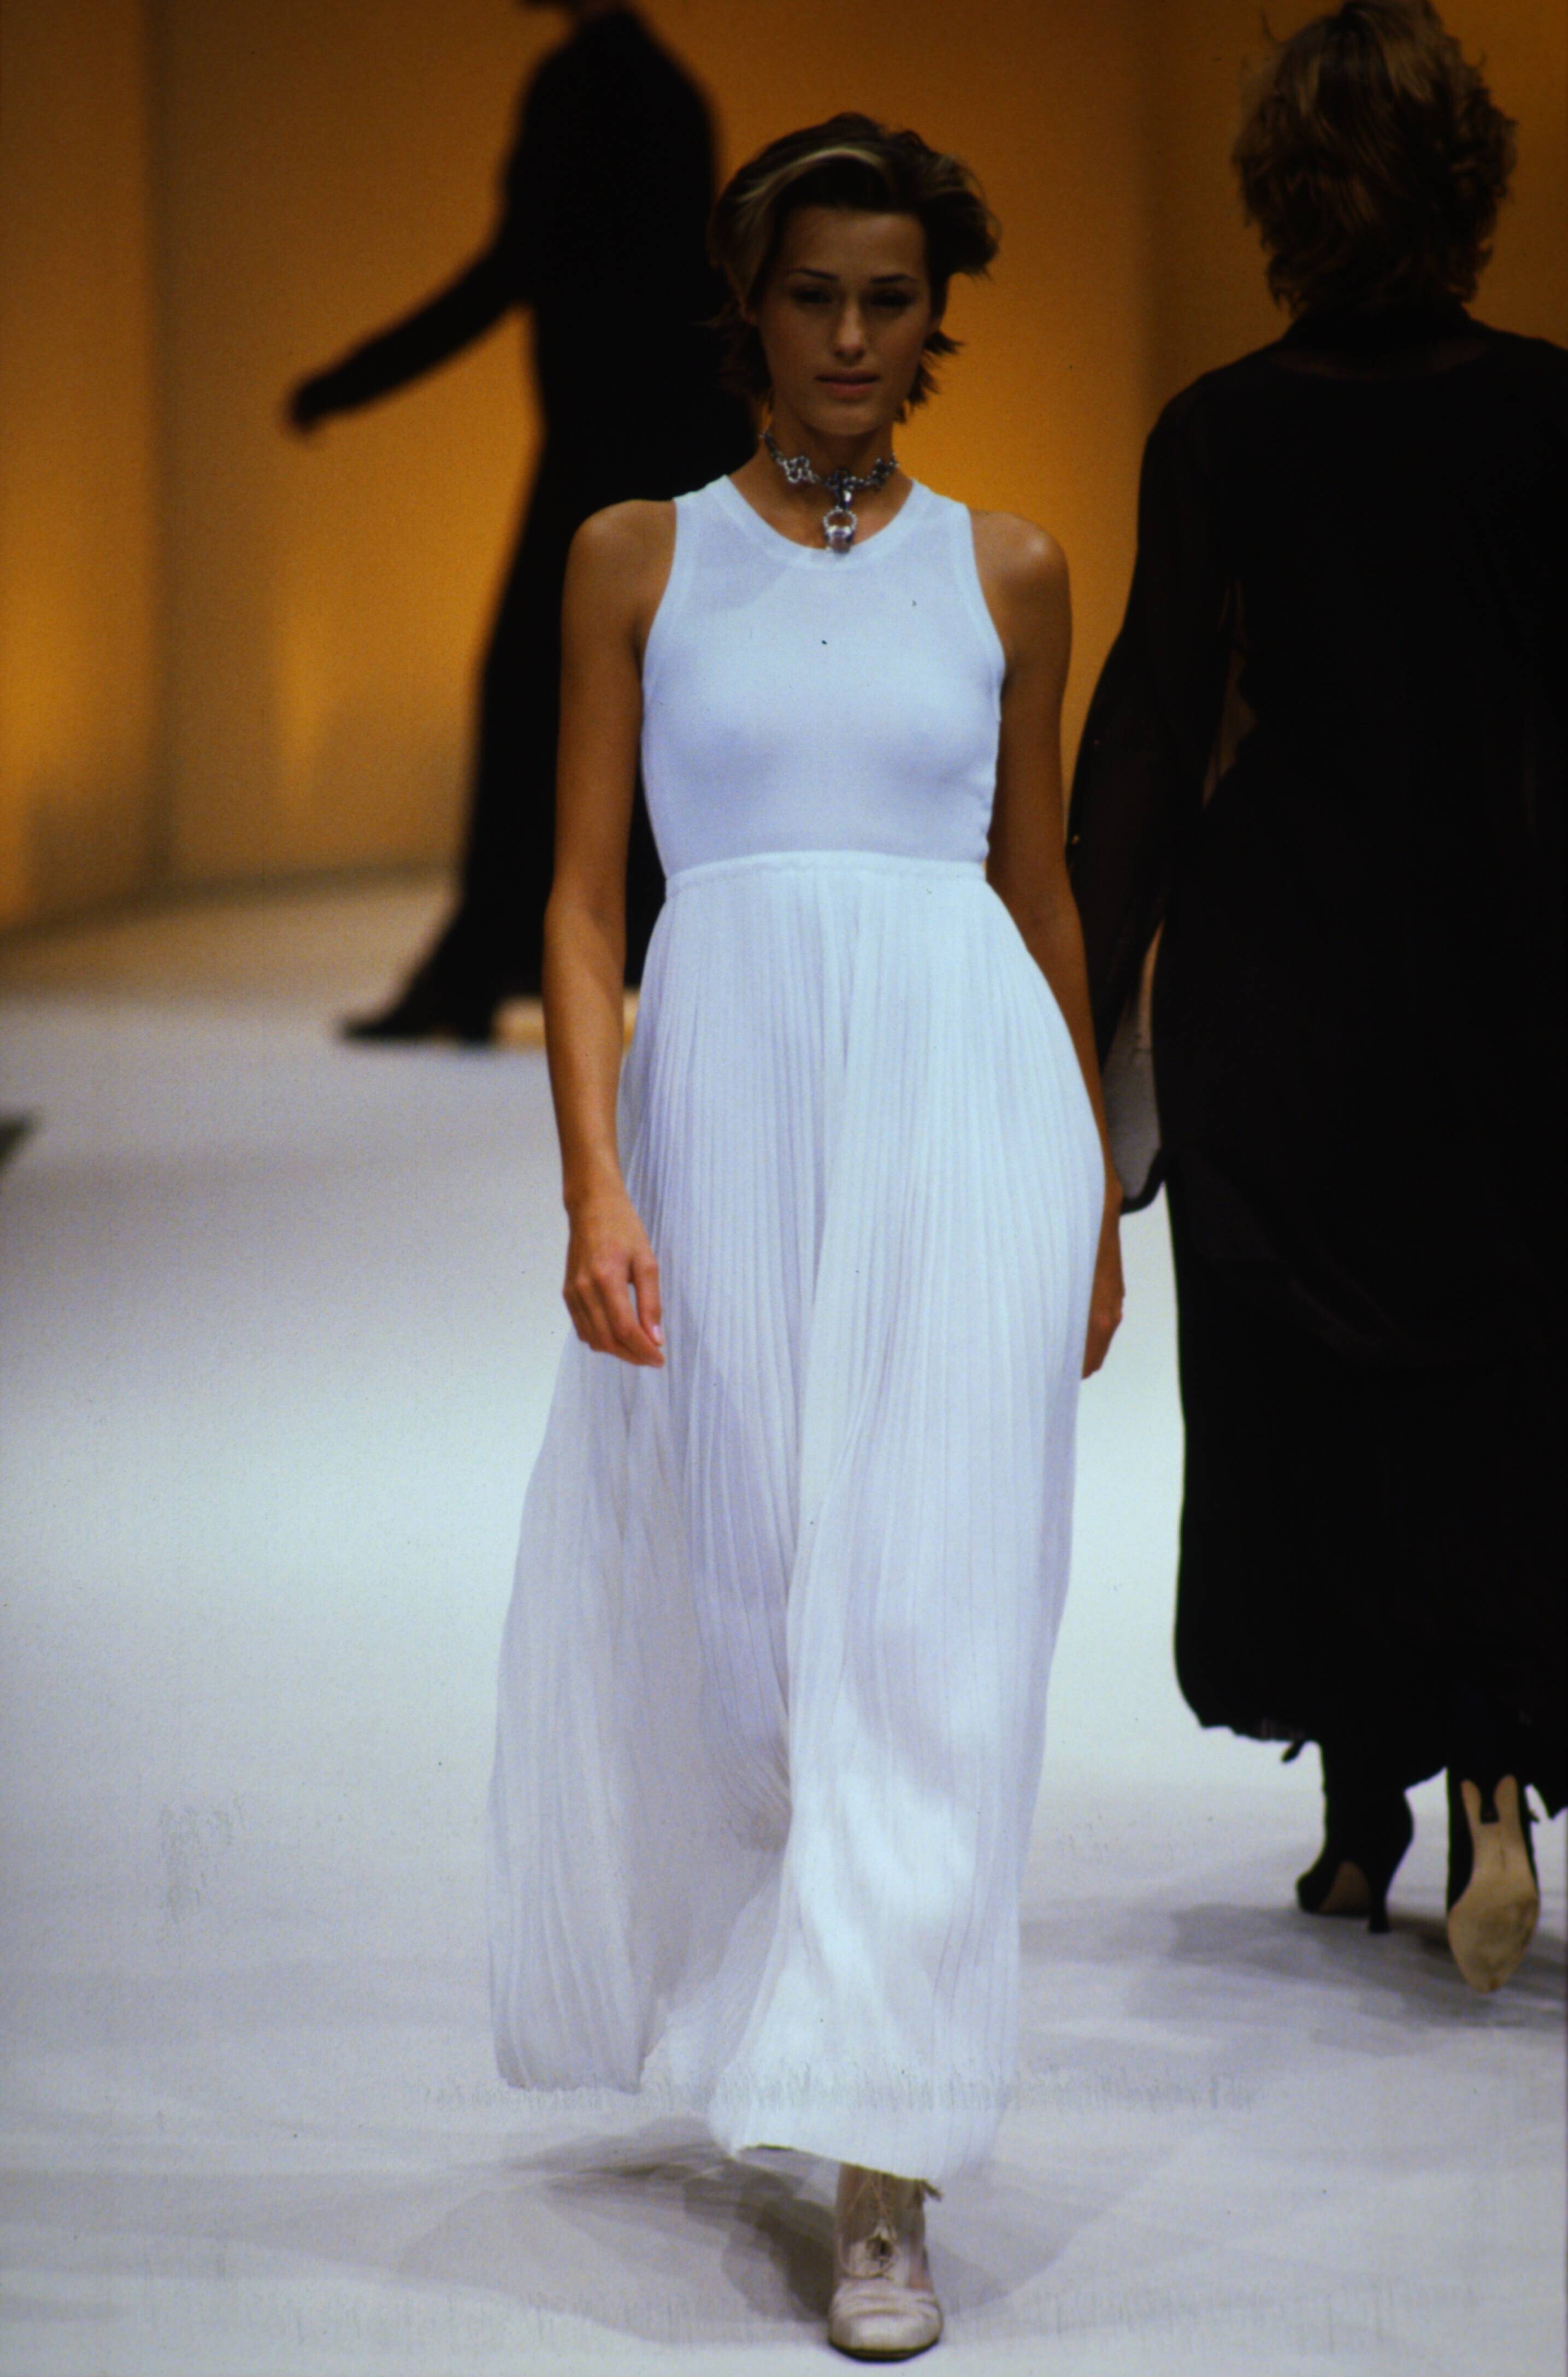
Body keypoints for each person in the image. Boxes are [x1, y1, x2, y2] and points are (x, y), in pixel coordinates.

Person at [486, 115, 1123, 2360]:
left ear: (936, 316)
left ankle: (885, 2169)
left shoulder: (1012, 568)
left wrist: (1092, 1184)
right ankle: (798, 2023)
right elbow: (583, 904)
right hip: (727, 1122)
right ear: (751, 307)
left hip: (969, 1117)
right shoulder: (635, 558)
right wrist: (594, 1179)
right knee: (751, 1635)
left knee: (924, 1641)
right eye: (814, 295)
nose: (852, 336)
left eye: (890, 298)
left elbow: (1040, 893)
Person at [1068, 0, 1565, 1993]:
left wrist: (1073, 1019)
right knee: (1502, 1369)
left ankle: (1363, 1811)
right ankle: (1491, 1756)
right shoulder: (1551, 416)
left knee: (1307, 1376)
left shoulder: (1221, 432)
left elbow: (1151, 734)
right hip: (1505, 961)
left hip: (1282, 969)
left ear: (1278, 197)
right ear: (1470, 182)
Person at [287, 0, 752, 1042]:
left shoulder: (591, 84)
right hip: (675, 436)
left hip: (614, 444)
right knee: (648, 697)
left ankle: (498, 963)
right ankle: (597, 954)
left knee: (540, 694)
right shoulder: (664, 87)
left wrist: (351, 380)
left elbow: (512, 266)